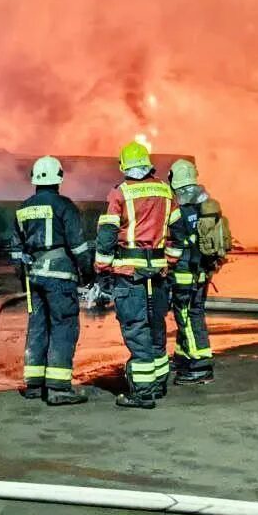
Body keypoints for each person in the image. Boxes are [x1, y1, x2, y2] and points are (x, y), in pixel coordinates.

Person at [94, 140, 187, 409]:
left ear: (124, 166)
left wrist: (102, 269)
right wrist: (168, 262)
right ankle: (158, 383)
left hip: (129, 275)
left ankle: (143, 392)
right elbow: (179, 234)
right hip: (157, 274)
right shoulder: (165, 191)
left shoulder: (119, 194)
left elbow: (107, 235)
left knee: (136, 328)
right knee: (156, 325)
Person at [10, 155, 93, 405]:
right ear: (59, 178)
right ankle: (58, 388)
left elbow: (15, 249)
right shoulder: (65, 206)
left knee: (38, 326)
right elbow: (78, 246)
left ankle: (34, 384)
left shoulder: (23, 208)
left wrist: (20, 274)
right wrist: (88, 273)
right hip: (59, 276)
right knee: (63, 326)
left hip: (33, 276)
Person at [167, 158, 230, 385]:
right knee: (195, 312)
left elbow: (177, 243)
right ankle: (184, 355)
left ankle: (198, 365)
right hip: (203, 270)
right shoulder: (206, 204)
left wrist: (166, 266)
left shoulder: (180, 209)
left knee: (186, 315)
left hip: (185, 271)